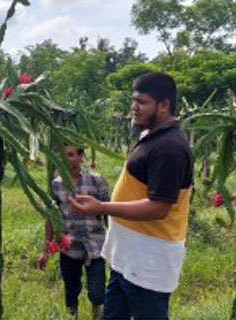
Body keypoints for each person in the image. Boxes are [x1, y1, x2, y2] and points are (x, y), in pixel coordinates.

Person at [68, 72, 194, 319]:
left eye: (142, 102)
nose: (134, 108)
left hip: (149, 260)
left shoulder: (170, 147)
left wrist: (101, 208)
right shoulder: (151, 137)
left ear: (164, 105)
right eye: (133, 101)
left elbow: (159, 208)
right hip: (127, 256)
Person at [38, 146, 110, 320]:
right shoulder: (56, 184)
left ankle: (95, 314)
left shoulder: (97, 181)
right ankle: (73, 316)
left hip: (95, 245)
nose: (65, 158)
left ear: (81, 157)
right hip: (69, 246)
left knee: (97, 293)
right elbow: (51, 216)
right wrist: (45, 249)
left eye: (70, 155)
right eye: (62, 155)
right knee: (71, 290)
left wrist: (116, 243)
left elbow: (109, 213)